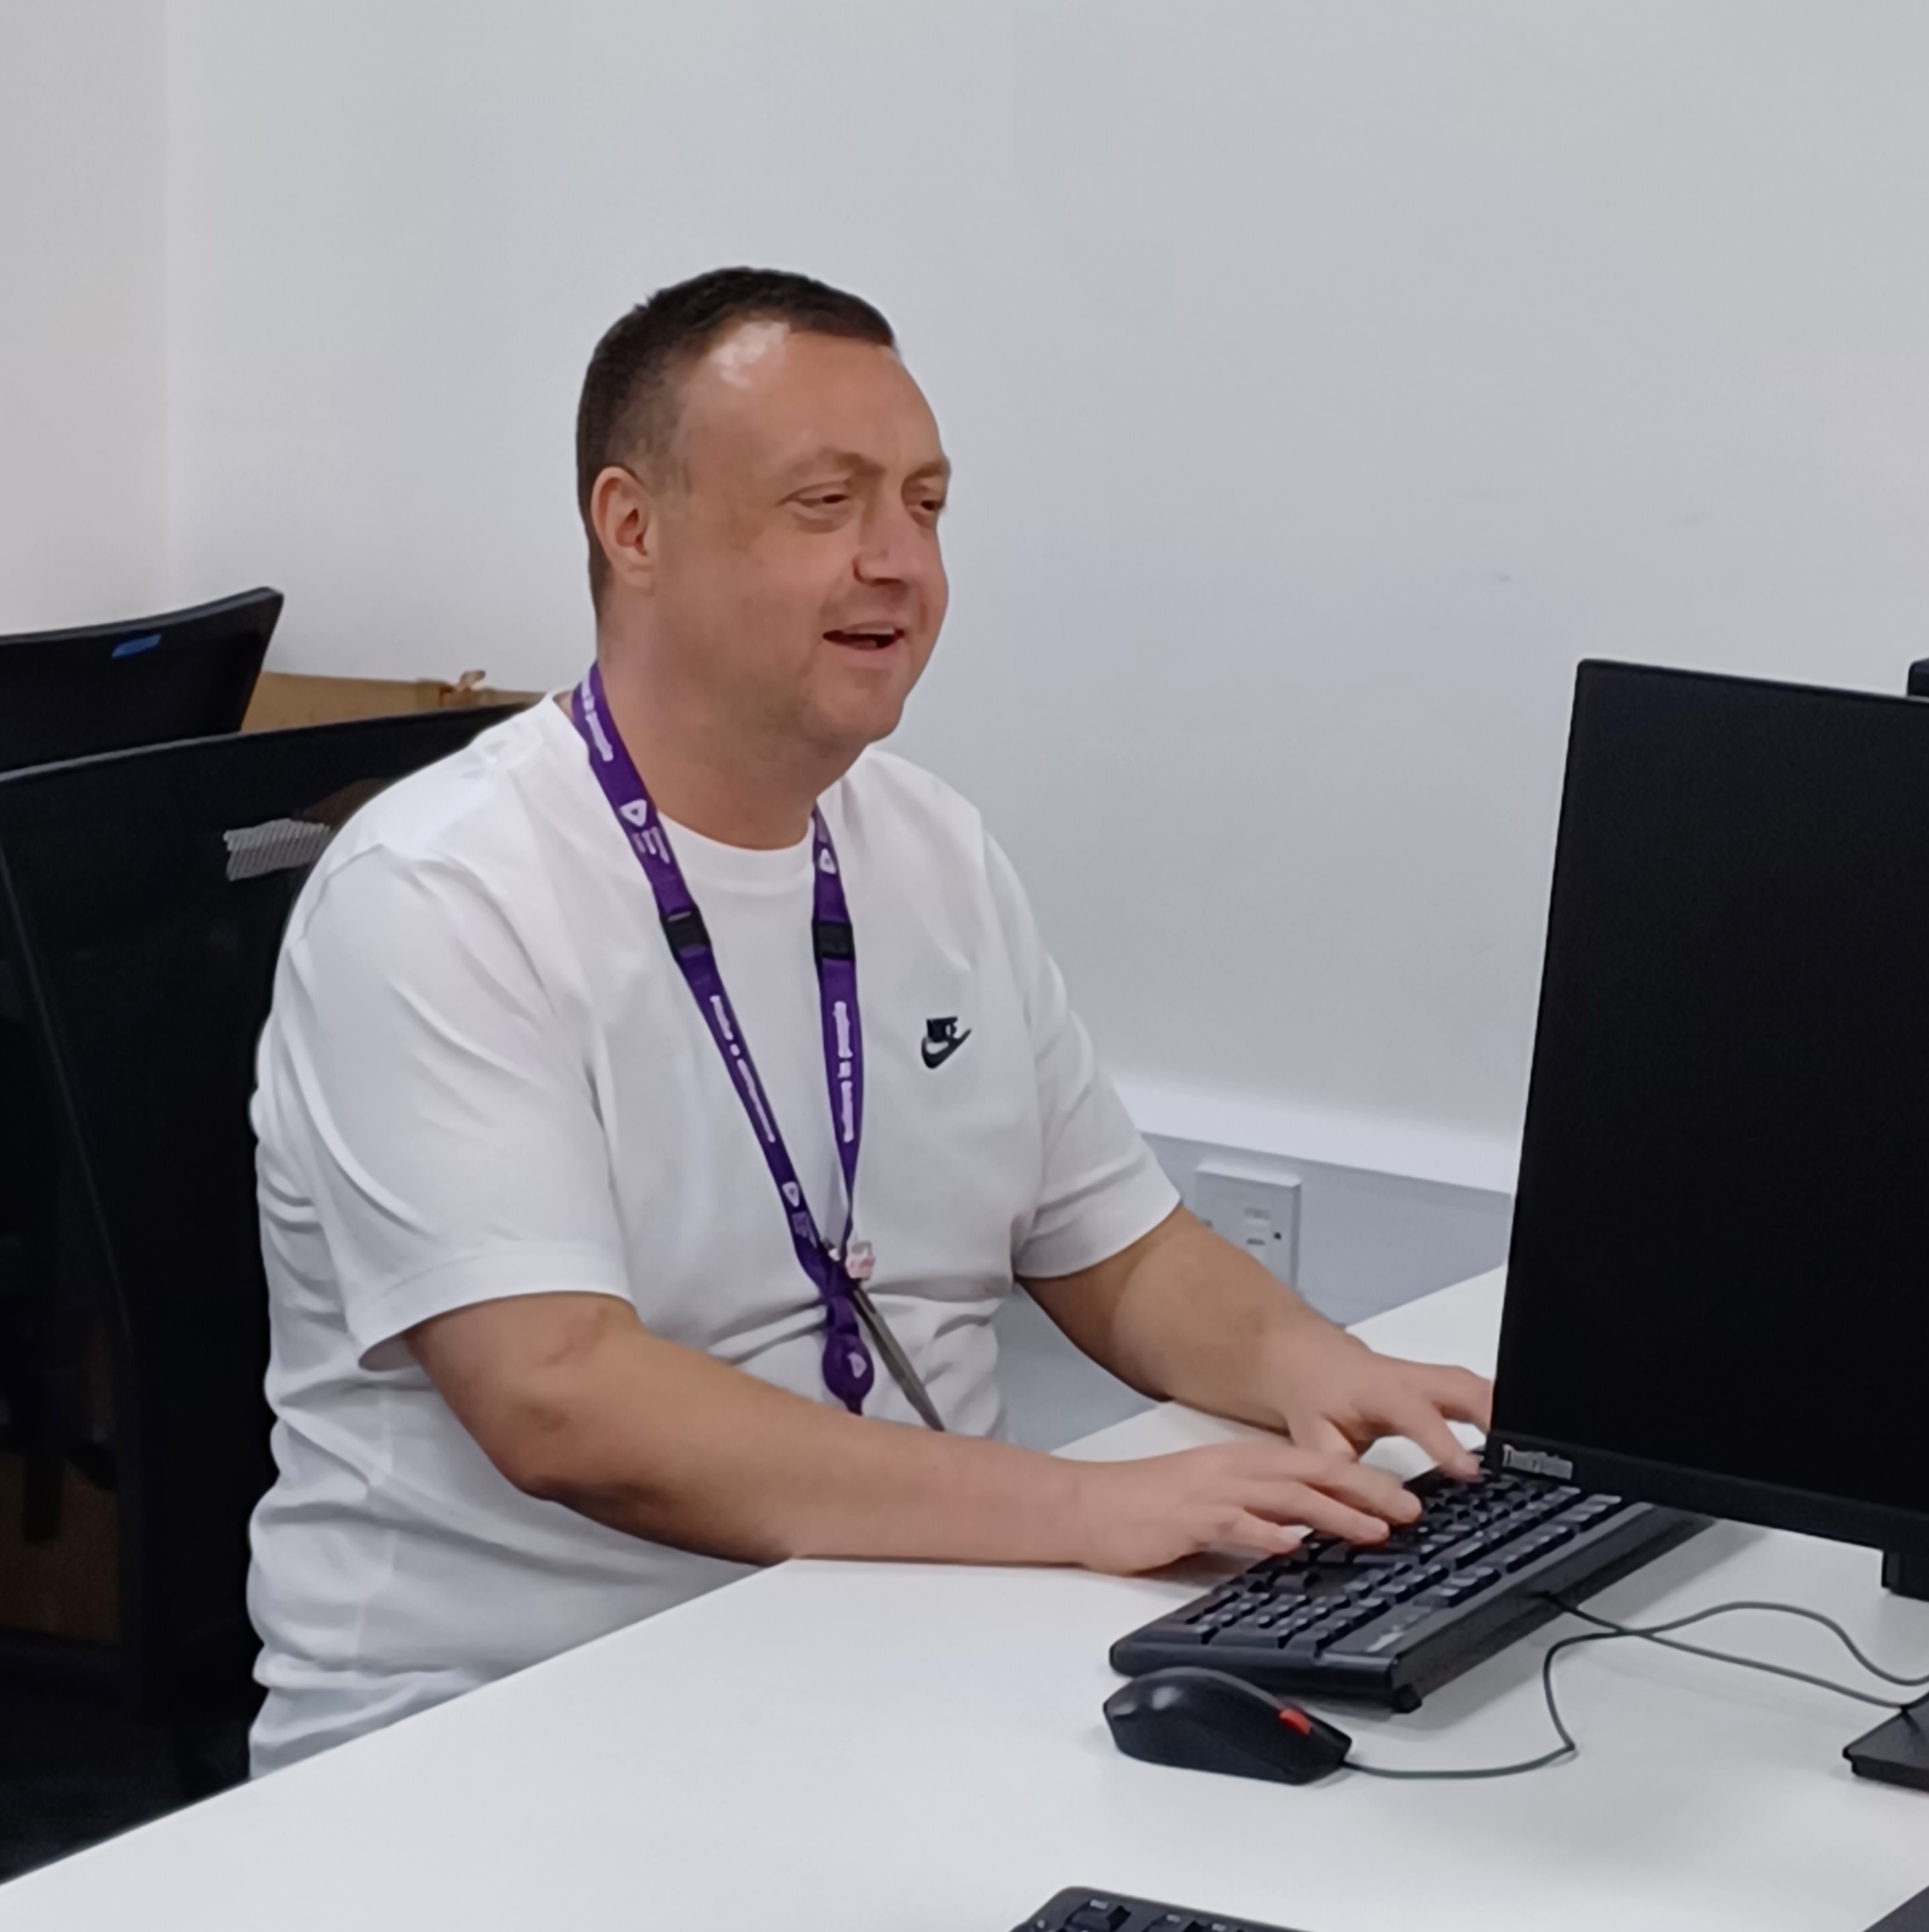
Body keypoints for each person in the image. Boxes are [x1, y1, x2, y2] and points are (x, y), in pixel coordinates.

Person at [246, 267, 1493, 1773]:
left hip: (895, 1650)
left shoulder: (928, 846)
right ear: (631, 527)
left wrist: (1330, 1379)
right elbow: (560, 1400)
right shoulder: (438, 893)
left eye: (927, 505)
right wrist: (1088, 1515)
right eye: (826, 505)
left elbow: (1123, 1250)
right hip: (501, 1735)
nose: (898, 562)